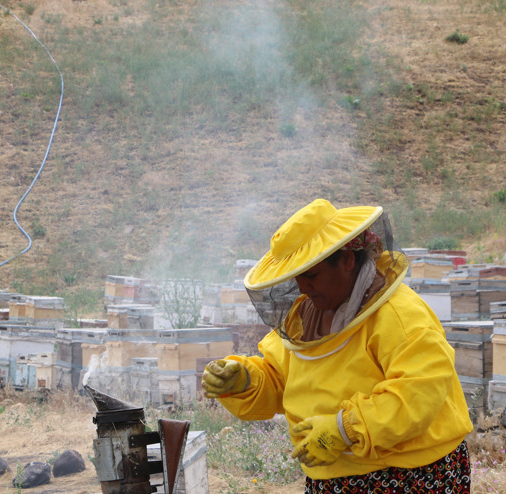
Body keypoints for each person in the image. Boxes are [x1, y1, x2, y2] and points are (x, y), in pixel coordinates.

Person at [202, 198, 473, 493]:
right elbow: (281, 378)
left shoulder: (399, 314)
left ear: (346, 260)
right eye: (297, 278)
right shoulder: (305, 318)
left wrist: (345, 428)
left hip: (412, 474)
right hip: (332, 477)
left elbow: (419, 391)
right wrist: (245, 379)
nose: (303, 288)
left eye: (312, 275)